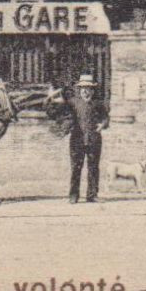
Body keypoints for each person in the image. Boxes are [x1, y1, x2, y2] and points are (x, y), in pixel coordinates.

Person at [65, 74, 109, 203]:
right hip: (76, 140)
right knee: (76, 168)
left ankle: (92, 195)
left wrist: (103, 124)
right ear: (79, 90)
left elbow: (106, 117)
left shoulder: (98, 103)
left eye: (88, 88)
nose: (85, 91)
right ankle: (73, 195)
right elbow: (64, 116)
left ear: (93, 90)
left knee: (93, 167)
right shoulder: (73, 103)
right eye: (83, 88)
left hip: (94, 139)